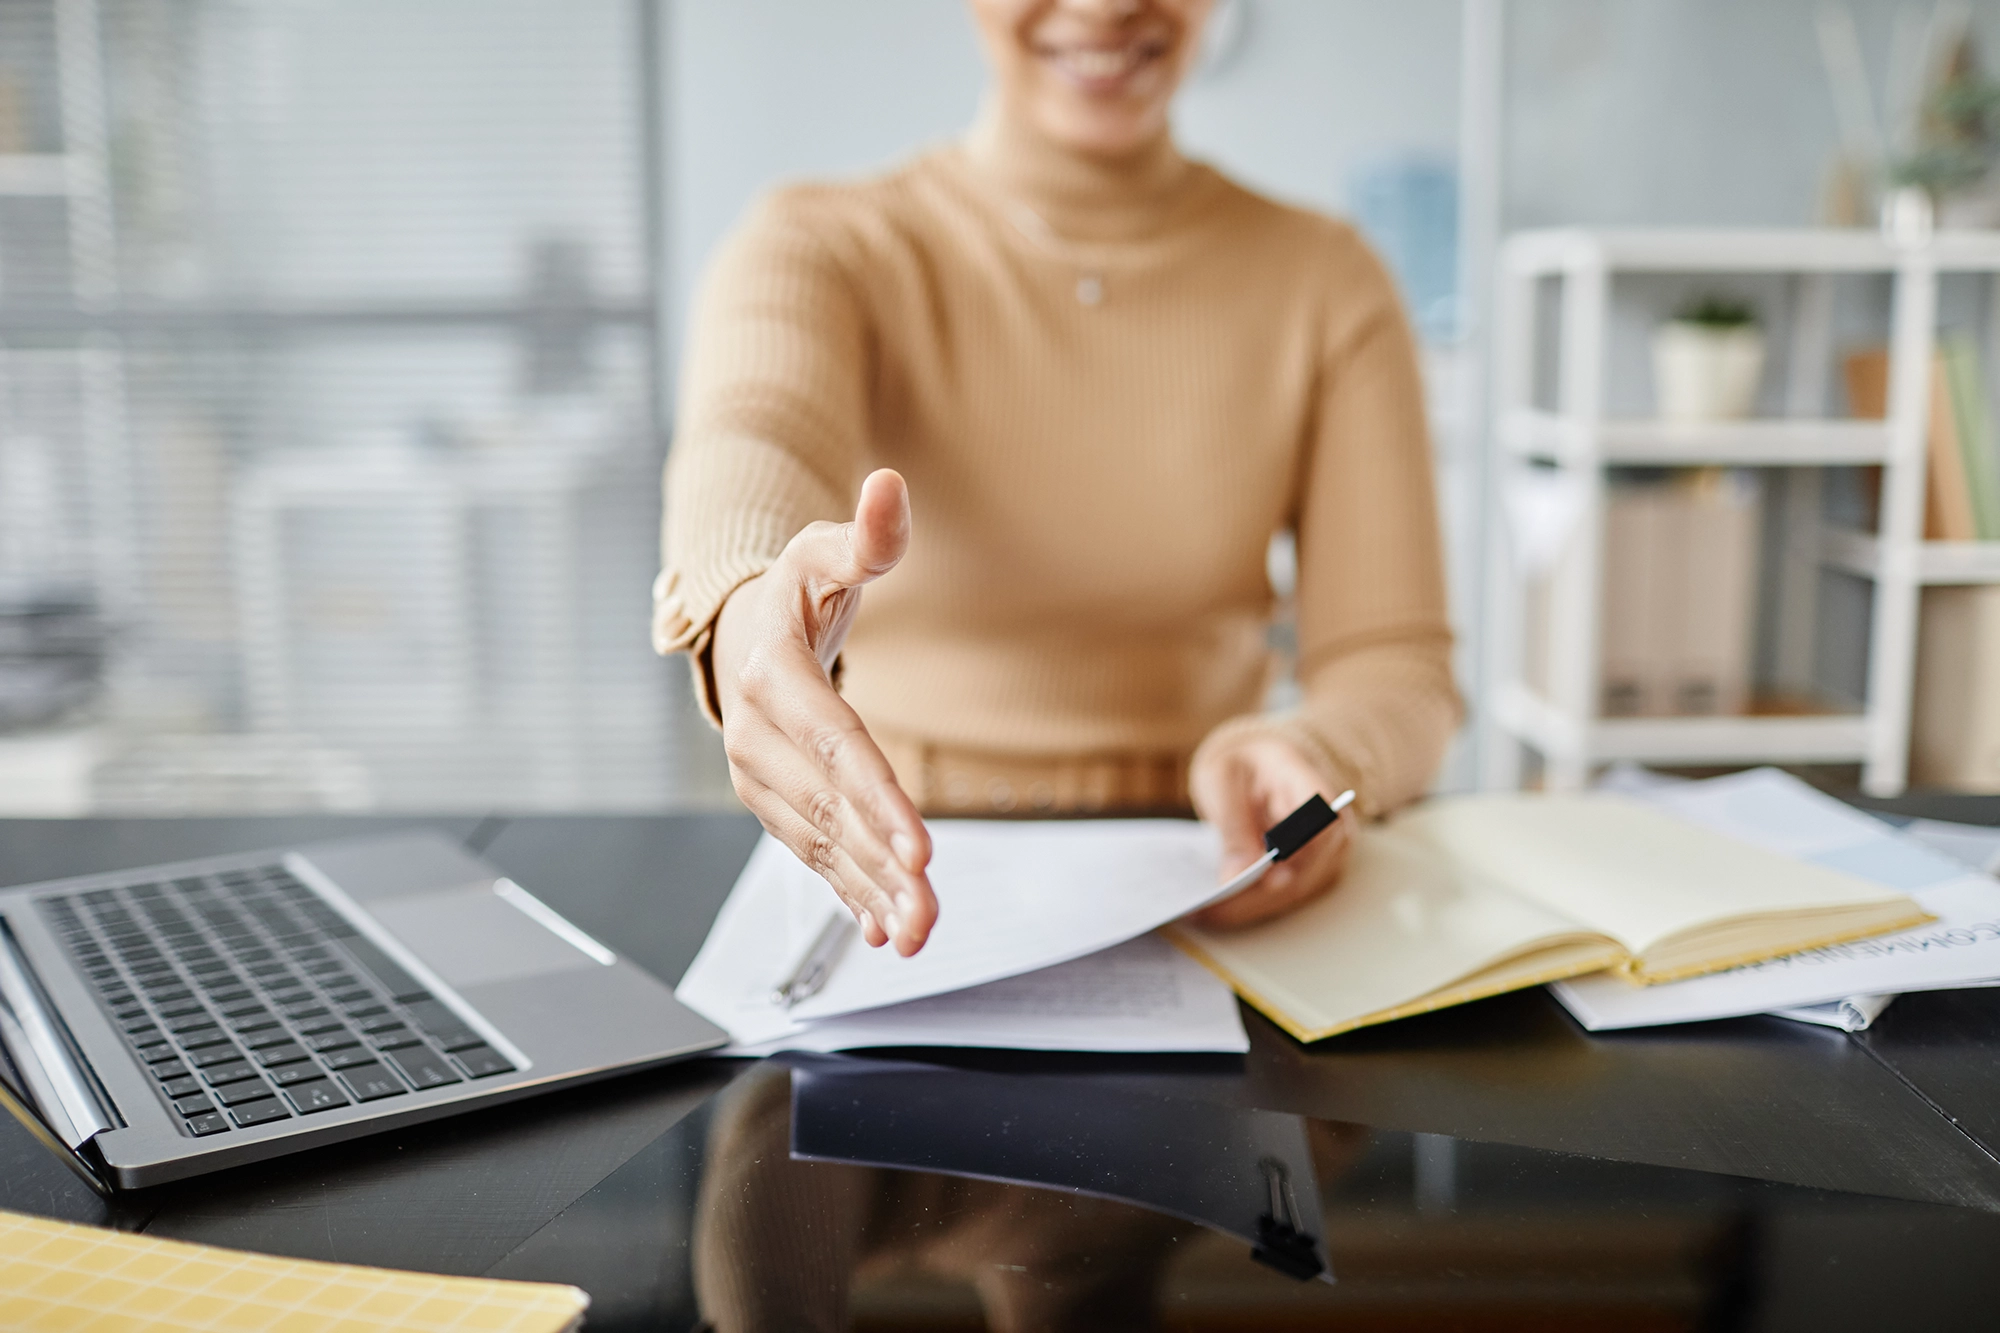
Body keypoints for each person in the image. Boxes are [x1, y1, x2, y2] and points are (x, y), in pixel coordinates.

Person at [653, 0, 1459, 959]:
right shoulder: (819, 244)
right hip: (885, 871)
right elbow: (755, 438)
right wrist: (753, 611)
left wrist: (1318, 755)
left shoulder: (1329, 280)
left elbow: (1397, 665)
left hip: (1214, 880)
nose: (1106, 7)